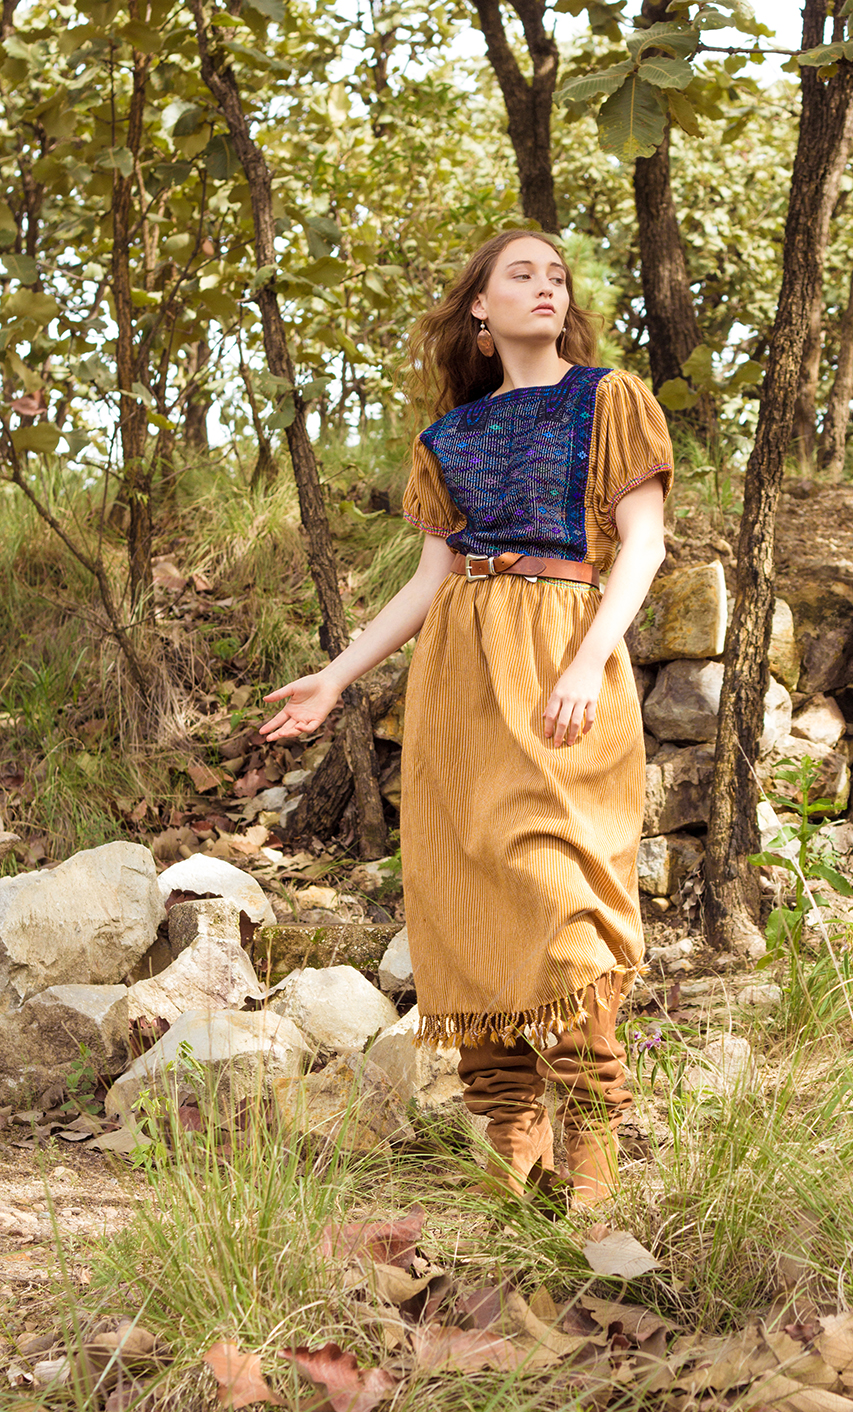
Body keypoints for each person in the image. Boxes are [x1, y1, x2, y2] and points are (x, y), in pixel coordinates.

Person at [261, 230, 672, 1209]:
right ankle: (510, 1132)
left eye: (556, 275)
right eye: (520, 274)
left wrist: (586, 660)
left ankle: (592, 1141)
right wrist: (337, 677)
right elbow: (428, 581)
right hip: (460, 668)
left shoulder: (608, 398)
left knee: (567, 897)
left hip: (565, 649)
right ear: (479, 308)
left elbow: (645, 545)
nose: (545, 286)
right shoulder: (449, 439)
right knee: (465, 895)